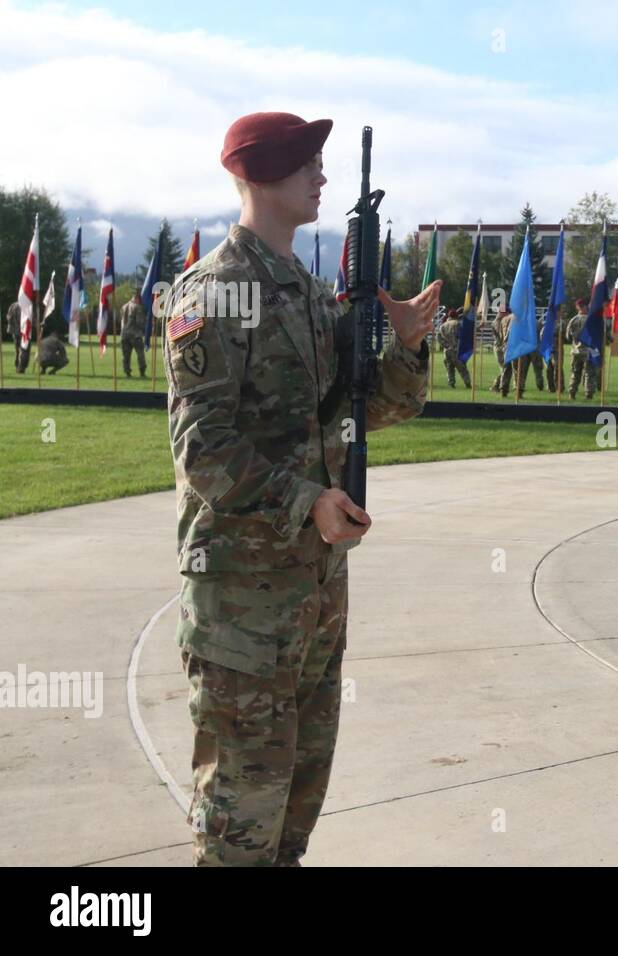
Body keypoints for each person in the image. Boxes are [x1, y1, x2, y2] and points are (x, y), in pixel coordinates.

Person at [162, 111, 439, 866]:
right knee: (240, 824)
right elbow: (202, 450)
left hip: (314, 594)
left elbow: (368, 412)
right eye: (304, 163)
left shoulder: (315, 298)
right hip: (244, 603)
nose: (320, 177)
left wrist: (408, 350)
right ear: (258, 176)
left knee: (294, 817)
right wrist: (304, 500)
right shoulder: (210, 295)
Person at [566, 299, 597, 400]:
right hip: (589, 351)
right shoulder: (591, 320)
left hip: (576, 351)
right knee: (589, 373)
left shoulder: (573, 320)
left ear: (577, 307)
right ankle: (589, 394)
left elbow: (568, 337)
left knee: (575, 373)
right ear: (585, 306)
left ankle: (572, 393)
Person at [120, 292, 148, 377]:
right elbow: (139, 322)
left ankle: (127, 372)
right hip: (135, 335)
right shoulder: (137, 307)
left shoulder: (124, 306)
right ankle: (142, 372)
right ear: (137, 299)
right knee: (140, 355)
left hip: (124, 334)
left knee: (126, 356)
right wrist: (146, 325)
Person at [7, 300, 30, 373]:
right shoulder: (26, 306)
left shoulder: (13, 305)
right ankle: (21, 368)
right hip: (23, 331)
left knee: (17, 350)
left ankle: (17, 366)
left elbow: (8, 317)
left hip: (14, 331)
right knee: (24, 350)